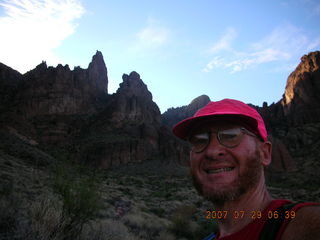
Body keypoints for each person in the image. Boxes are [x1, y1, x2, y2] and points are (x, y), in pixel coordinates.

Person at [172, 98, 320, 240]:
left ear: (265, 153)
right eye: (199, 140)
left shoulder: (305, 225)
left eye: (230, 136)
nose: (212, 151)